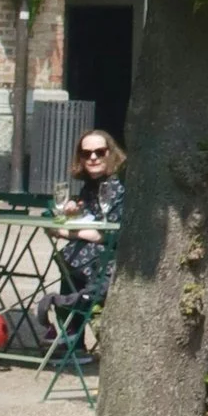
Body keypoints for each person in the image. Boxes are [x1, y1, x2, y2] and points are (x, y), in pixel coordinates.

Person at [49, 129, 124, 356]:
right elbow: (91, 223)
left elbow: (108, 233)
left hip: (118, 258)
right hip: (91, 256)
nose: (92, 158)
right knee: (70, 257)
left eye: (99, 152)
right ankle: (72, 337)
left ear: (111, 154)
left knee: (73, 256)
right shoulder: (91, 186)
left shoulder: (118, 186)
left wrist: (69, 232)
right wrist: (74, 214)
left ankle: (72, 336)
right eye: (86, 153)